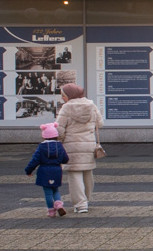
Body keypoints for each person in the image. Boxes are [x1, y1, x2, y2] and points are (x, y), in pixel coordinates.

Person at [57, 83, 103, 214]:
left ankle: (80, 204)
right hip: (89, 144)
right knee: (87, 172)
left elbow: (59, 129)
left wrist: (59, 141)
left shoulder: (66, 108)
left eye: (64, 95)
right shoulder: (91, 105)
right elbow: (100, 123)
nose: (63, 98)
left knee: (74, 174)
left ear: (70, 95)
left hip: (71, 145)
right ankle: (86, 199)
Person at [25, 122, 69, 217]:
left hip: (44, 171)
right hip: (57, 170)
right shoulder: (59, 146)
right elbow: (65, 159)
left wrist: (28, 170)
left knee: (48, 192)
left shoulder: (41, 147)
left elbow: (35, 160)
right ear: (56, 136)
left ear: (44, 136)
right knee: (55, 189)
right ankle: (59, 204)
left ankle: (51, 212)